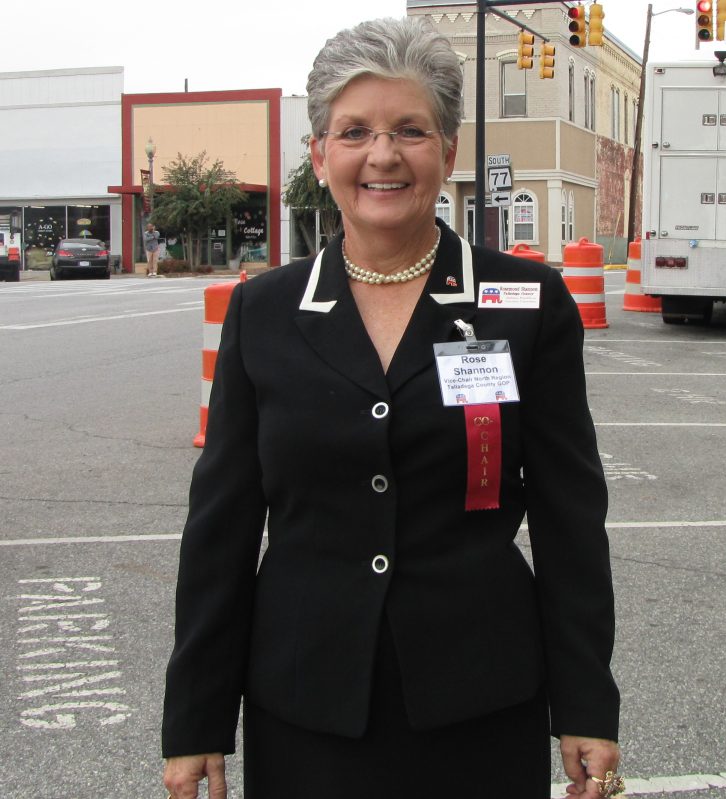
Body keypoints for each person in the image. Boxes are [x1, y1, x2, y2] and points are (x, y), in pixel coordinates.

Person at [162, 16, 623, 799]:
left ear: (448, 150)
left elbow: (569, 514)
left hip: (481, 701)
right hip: (306, 704)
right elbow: (221, 528)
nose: (383, 155)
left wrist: (586, 705)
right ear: (320, 155)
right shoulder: (263, 312)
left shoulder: (526, 300)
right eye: (354, 132)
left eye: (410, 130)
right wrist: (196, 719)